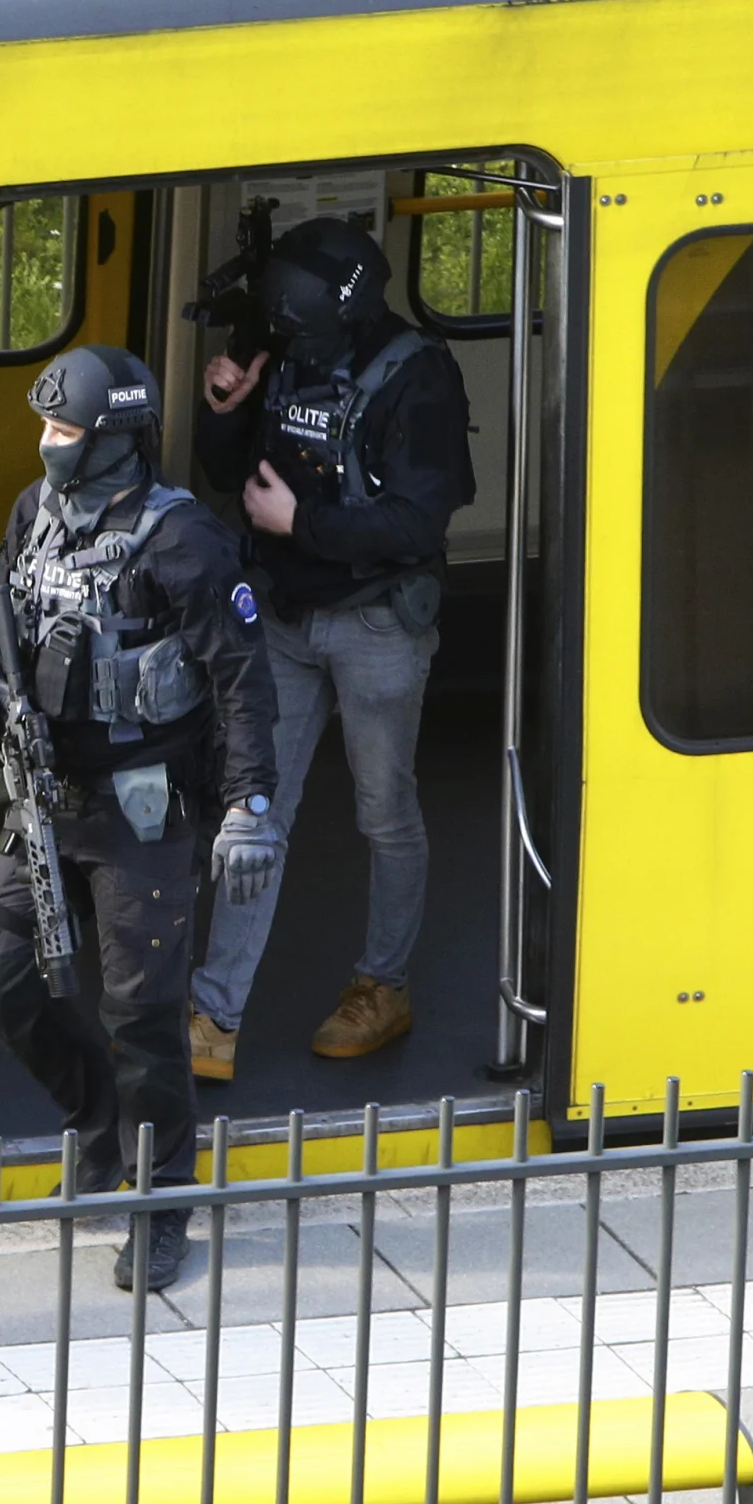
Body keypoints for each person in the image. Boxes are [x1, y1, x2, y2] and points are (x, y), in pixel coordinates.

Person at [0, 346, 277, 1294]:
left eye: (62, 430)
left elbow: (244, 684)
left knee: (141, 1014)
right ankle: (102, 1132)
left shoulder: (184, 543)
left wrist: (250, 808)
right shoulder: (36, 514)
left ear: (108, 441)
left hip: (145, 811)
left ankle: (160, 1200)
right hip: (43, 799)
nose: (45, 445)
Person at [187, 215, 477, 1075]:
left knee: (384, 813)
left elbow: (419, 519)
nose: (288, 343)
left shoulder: (415, 378)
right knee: (255, 811)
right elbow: (226, 476)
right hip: (283, 617)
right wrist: (225, 412)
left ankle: (381, 986)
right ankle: (214, 1017)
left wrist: (299, 522)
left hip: (375, 622)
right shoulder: (289, 348)